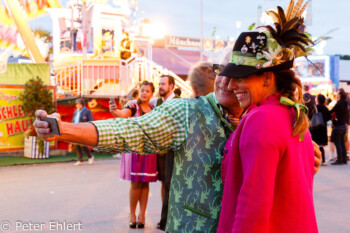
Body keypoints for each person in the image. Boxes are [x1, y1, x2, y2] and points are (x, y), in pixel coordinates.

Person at [33, 54, 321, 233]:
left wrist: (306, 157)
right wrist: (65, 129)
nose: (227, 82)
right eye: (222, 72)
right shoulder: (186, 112)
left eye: (237, 76)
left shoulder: (271, 118)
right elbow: (131, 130)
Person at [216, 2, 318, 232]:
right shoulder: (291, 114)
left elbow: (253, 204)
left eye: (241, 77)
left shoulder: (261, 119)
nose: (232, 85)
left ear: (267, 78)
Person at [109, 81, 158, 228]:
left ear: (151, 93)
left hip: (149, 151)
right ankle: (132, 214)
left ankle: (142, 215)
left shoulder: (154, 108)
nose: (144, 93)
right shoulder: (132, 105)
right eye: (142, 90)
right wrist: (114, 111)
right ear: (139, 91)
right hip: (136, 150)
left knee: (145, 183)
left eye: (147, 91)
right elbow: (123, 114)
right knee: (136, 183)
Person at [72, 99, 94, 166]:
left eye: (79, 104)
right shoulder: (75, 112)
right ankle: (80, 160)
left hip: (84, 130)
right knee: (76, 145)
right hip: (76, 130)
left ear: (82, 104)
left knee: (83, 145)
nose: (77, 105)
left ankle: (90, 157)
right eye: (76, 104)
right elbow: (73, 121)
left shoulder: (87, 111)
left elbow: (91, 121)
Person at [330, 88, 349, 165]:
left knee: (338, 143)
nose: (336, 95)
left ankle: (340, 160)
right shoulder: (345, 103)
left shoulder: (339, 103)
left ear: (340, 95)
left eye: (337, 94)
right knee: (342, 142)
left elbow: (331, 111)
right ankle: (344, 159)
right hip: (343, 125)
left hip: (337, 126)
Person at [311, 94, 331, 165]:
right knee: (321, 146)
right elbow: (329, 117)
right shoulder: (326, 108)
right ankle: (323, 161)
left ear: (318, 99)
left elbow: (311, 116)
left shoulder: (315, 107)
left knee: (315, 146)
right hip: (323, 128)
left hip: (316, 129)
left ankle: (314, 161)